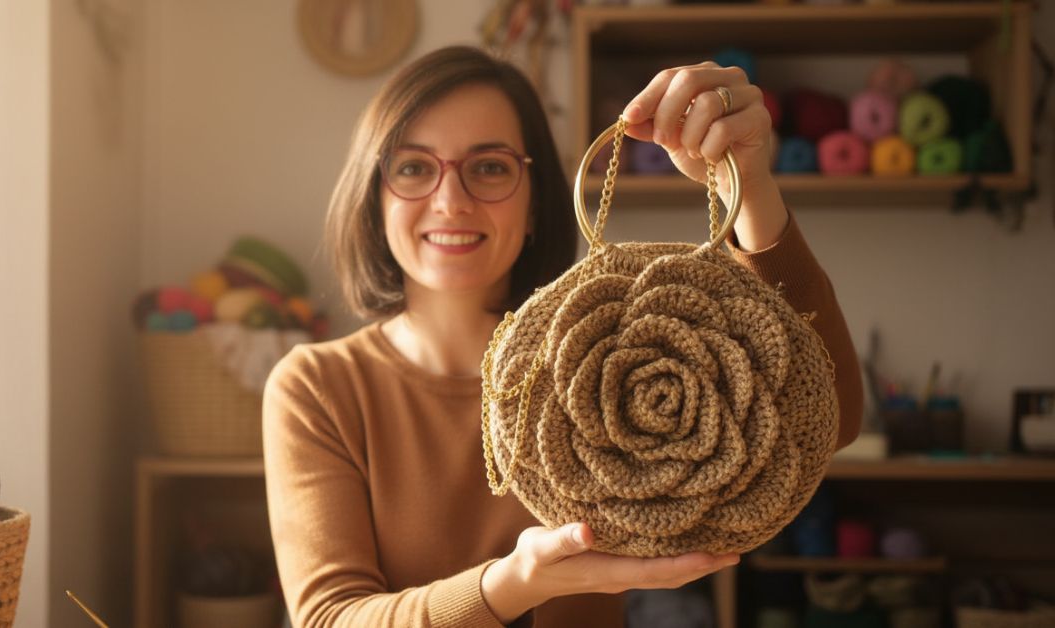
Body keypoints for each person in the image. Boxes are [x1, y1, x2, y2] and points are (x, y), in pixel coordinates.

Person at [263, 45, 862, 628]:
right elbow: (329, 618)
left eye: (489, 167)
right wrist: (518, 584)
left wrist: (748, 183)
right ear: (373, 198)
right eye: (413, 166)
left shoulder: (633, 347)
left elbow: (832, 418)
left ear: (535, 203)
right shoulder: (317, 387)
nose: (450, 201)